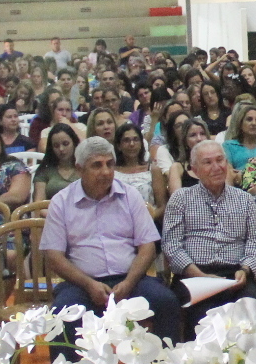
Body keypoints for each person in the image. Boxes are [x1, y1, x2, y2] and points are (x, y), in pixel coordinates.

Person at [38, 135, 180, 345]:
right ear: (79, 169)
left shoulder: (130, 196)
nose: (105, 171)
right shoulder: (61, 202)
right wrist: (89, 284)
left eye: (109, 164)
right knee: (63, 313)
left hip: (130, 279)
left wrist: (129, 282)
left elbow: (147, 247)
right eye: (97, 165)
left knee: (166, 302)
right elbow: (54, 256)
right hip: (81, 283)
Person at [160, 140, 256, 333]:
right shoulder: (181, 199)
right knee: (203, 321)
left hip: (236, 274)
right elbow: (171, 245)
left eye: (220, 160)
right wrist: (199, 275)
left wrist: (246, 269)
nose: (216, 167)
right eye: (208, 162)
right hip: (194, 276)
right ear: (194, 170)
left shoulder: (245, 200)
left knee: (253, 309)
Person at [33, 123, 82, 201]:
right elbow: (37, 207)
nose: (61, 149)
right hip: (49, 212)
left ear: (74, 143)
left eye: (65, 144)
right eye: (56, 146)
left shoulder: (85, 168)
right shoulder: (44, 170)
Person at [222, 102, 256, 171]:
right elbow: (229, 173)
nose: (254, 123)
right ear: (241, 123)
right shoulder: (229, 146)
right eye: (249, 119)